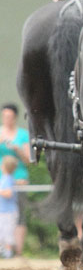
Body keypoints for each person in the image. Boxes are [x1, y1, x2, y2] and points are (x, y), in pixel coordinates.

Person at [0, 103, 30, 256]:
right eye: (5, 116)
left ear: (15, 117)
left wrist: (16, 148)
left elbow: (28, 160)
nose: (7, 119)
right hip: (1, 180)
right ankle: (4, 249)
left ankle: (17, 252)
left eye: (10, 117)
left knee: (19, 216)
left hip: (19, 180)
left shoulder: (23, 134)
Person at [0, 155, 19, 258]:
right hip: (3, 211)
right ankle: (4, 252)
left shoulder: (7, 179)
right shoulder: (5, 178)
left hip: (8, 212)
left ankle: (8, 253)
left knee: (8, 232)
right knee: (2, 232)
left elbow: (8, 193)